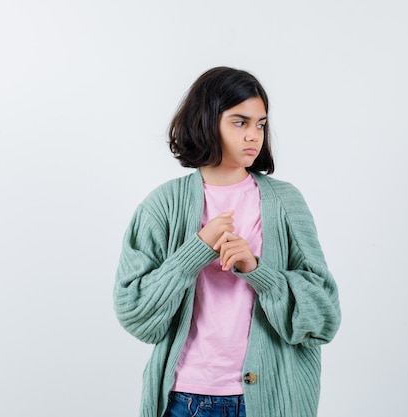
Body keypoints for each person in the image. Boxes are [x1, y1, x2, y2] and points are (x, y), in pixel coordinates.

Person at [113, 66, 341, 417]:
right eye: (240, 122)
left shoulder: (284, 202)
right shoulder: (162, 205)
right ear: (207, 122)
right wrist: (193, 253)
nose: (254, 135)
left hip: (270, 400)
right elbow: (136, 313)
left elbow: (323, 316)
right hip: (184, 400)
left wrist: (257, 271)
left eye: (260, 124)